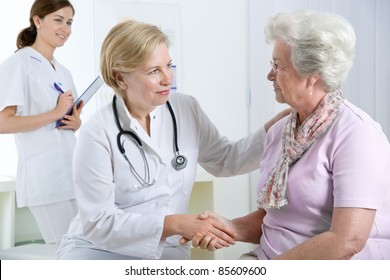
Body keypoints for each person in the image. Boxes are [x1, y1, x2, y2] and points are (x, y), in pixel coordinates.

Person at [56, 19, 288, 260]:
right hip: (97, 249)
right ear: (120, 78)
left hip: (168, 250)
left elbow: (226, 159)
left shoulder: (185, 108)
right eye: (154, 71)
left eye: (168, 65)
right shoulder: (98, 131)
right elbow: (98, 223)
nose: (168, 78)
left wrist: (280, 124)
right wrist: (176, 224)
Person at [190, 9, 390, 259]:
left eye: (278, 66)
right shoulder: (280, 131)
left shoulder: (357, 135)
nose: (269, 75)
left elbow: (347, 240)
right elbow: (274, 219)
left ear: (311, 77)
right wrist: (229, 227)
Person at [0, 0, 82, 244]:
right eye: (58, 20)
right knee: (67, 251)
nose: (65, 28)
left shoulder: (63, 70)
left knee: (88, 249)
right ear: (37, 20)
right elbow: (3, 123)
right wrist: (55, 113)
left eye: (69, 22)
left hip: (72, 172)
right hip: (44, 177)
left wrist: (75, 122)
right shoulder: (18, 64)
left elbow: (69, 119)